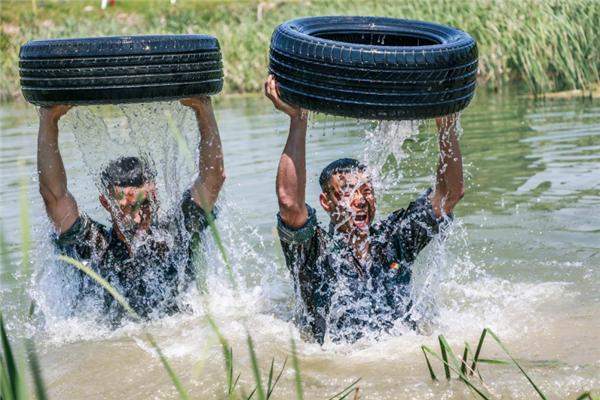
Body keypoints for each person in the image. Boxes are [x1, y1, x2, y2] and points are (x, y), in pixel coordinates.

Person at [265, 75, 464, 344]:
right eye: (348, 191)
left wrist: (446, 123)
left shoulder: (395, 238)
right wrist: (298, 120)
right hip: (338, 361)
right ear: (327, 203)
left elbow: (449, 195)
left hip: (400, 353)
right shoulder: (315, 252)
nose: (361, 199)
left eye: (367, 190)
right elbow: (289, 204)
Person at [37, 97, 225, 323]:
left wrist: (203, 109)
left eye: (143, 204)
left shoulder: (177, 232)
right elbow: (54, 198)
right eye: (126, 208)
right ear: (106, 203)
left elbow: (213, 179)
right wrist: (49, 119)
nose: (136, 217)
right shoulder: (95, 246)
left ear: (154, 196)